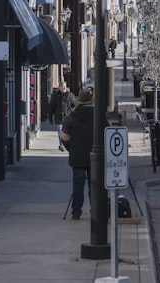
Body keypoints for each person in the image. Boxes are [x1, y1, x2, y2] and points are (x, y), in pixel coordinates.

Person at [60, 90, 94, 220]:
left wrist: (71, 149)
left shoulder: (71, 118)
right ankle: (95, 211)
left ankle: (76, 212)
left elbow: (64, 137)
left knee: (78, 185)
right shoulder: (98, 116)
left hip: (77, 158)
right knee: (94, 185)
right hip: (94, 157)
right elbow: (106, 133)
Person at [49, 83, 74, 151]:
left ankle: (67, 144)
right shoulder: (55, 96)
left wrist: (73, 113)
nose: (63, 88)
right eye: (62, 87)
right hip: (58, 117)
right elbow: (51, 107)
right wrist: (50, 117)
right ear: (59, 87)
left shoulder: (70, 95)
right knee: (60, 132)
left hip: (68, 117)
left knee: (68, 132)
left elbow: (74, 105)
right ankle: (61, 145)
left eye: (64, 86)